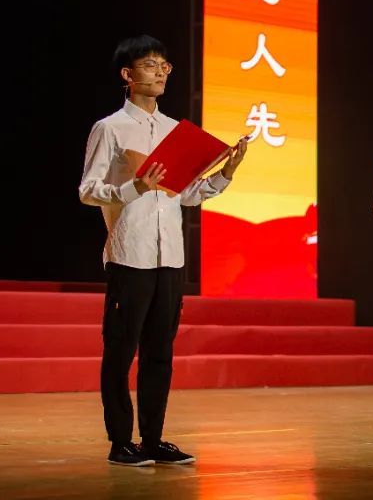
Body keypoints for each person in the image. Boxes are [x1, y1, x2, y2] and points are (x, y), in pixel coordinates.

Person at [79, 35, 247, 466]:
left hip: (170, 256)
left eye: (164, 65)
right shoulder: (110, 128)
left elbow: (185, 195)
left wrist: (225, 174)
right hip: (130, 254)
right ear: (127, 74)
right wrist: (135, 187)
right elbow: (88, 190)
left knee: (160, 352)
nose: (159, 72)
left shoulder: (176, 130)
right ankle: (121, 441)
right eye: (150, 64)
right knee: (120, 351)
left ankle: (153, 439)